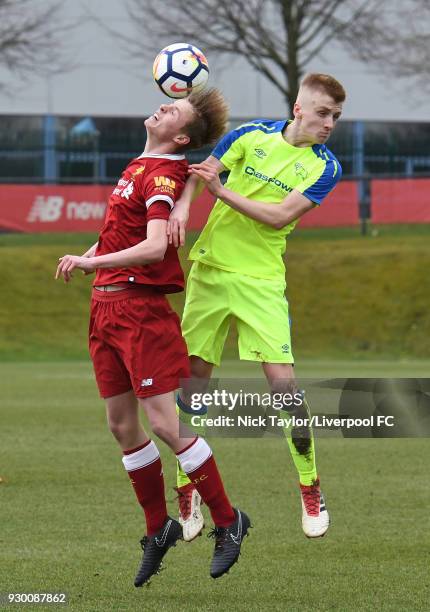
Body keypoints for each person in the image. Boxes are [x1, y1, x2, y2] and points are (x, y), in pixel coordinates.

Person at [55, 88, 250, 586]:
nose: (162, 105)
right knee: (122, 427)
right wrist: (92, 253)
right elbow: (122, 233)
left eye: (174, 110)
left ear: (181, 136)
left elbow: (155, 245)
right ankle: (158, 527)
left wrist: (90, 262)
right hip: (106, 309)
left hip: (141, 313)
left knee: (165, 424)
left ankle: (229, 521)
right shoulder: (142, 166)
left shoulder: (162, 173)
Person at [168, 73, 346, 541]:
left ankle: (311, 490)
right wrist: (184, 205)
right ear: (298, 109)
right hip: (210, 273)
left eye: (336, 117)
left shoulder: (325, 167)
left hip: (262, 282)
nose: (329, 124)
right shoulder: (249, 135)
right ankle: (185, 491)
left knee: (285, 390)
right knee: (194, 387)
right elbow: (203, 171)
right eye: (323, 113)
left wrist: (221, 193)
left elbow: (279, 216)